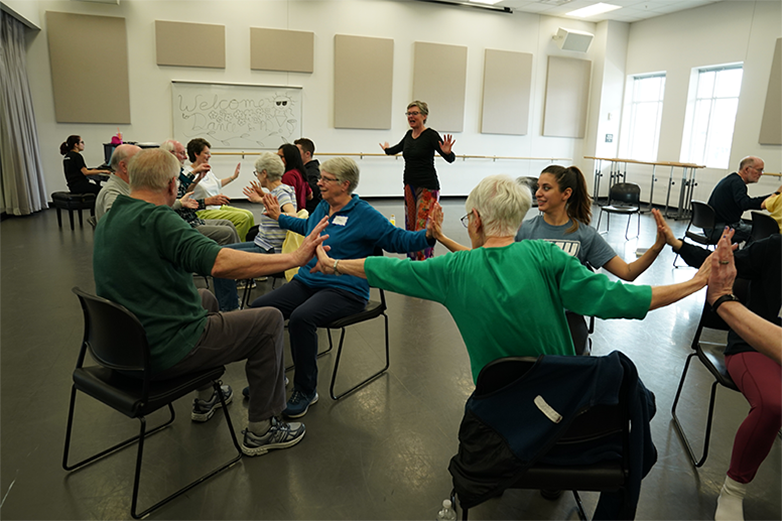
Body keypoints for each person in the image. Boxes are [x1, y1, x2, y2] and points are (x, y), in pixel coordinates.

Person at [310, 174, 710, 382]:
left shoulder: (452, 270)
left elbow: (391, 269)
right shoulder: (548, 256)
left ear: (478, 220)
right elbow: (626, 298)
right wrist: (697, 281)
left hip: (496, 397)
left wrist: (334, 265)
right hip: (561, 393)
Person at [93, 148, 330, 456]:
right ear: (170, 185)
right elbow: (219, 263)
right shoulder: (159, 220)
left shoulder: (112, 215)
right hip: (161, 351)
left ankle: (207, 396)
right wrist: (294, 258)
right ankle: (262, 428)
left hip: (119, 345)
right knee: (269, 319)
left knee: (204, 297)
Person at [247, 157, 436, 418]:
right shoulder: (323, 206)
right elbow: (307, 226)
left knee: (302, 318)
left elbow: (398, 240)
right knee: (260, 309)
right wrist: (281, 218)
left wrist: (428, 235)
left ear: (345, 184)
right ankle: (272, 377)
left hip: (345, 289)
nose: (319, 182)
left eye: (326, 179)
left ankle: (306, 390)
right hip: (309, 281)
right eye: (320, 177)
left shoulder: (364, 214)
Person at [654, 210, 782, 521]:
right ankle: (734, 488)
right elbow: (720, 263)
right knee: (773, 404)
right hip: (752, 346)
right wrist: (677, 243)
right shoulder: (775, 248)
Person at [433, 166, 666, 281]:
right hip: (530, 313)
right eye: (539, 188)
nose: (539, 194)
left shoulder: (584, 235)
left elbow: (627, 273)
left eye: (547, 188)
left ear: (566, 194)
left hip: (569, 317)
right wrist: (442, 238)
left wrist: (656, 247)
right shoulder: (525, 229)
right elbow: (483, 257)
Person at [212, 152, 297, 311]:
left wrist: (276, 214)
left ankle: (229, 310)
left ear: (265, 173)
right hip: (263, 244)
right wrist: (261, 199)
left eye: (257, 173)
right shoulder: (280, 189)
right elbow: (276, 202)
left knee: (221, 260)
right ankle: (230, 307)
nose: (257, 176)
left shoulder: (281, 192)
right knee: (220, 253)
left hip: (270, 250)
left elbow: (293, 214)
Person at [380, 100, 456, 260]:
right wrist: (387, 150)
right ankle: (413, 259)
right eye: (409, 113)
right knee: (411, 227)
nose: (411, 116)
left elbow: (450, 158)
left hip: (428, 188)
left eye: (414, 113)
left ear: (424, 116)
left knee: (423, 227)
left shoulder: (430, 135)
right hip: (409, 186)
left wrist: (447, 152)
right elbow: (397, 148)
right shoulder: (408, 135)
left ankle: (423, 263)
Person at [160, 140, 240, 246]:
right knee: (228, 231)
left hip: (193, 218)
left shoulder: (180, 173)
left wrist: (197, 179)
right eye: (182, 154)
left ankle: (239, 254)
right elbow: (177, 203)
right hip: (186, 223)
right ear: (171, 154)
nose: (185, 157)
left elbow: (186, 193)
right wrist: (207, 201)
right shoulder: (167, 177)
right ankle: (225, 259)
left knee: (228, 224)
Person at [187, 138, 255, 240]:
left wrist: (233, 177)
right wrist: (197, 178)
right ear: (196, 154)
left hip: (217, 207)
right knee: (243, 218)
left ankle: (249, 243)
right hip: (204, 210)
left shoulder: (206, 169)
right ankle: (236, 246)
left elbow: (217, 184)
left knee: (249, 214)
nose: (209, 156)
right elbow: (186, 190)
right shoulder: (189, 172)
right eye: (206, 153)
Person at [706, 156, 771, 243]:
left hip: (711, 226)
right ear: (747, 169)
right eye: (759, 170)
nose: (761, 174)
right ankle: (742, 256)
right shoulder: (737, 183)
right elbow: (745, 204)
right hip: (720, 228)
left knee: (751, 228)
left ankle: (736, 254)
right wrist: (771, 198)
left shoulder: (732, 179)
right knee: (760, 233)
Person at [95, 144, 141, 220]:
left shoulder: (126, 186)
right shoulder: (112, 192)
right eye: (139, 161)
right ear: (124, 166)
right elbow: (117, 222)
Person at [277, 143, 312, 212]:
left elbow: (286, 199)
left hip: (292, 215)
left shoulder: (288, 176)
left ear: (289, 157)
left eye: (280, 157)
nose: (278, 160)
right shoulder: (300, 172)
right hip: (301, 214)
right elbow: (310, 196)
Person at [295, 137, 322, 214]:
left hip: (310, 212)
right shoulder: (301, 169)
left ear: (307, 154)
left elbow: (314, 191)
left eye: (297, 152)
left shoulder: (313, 171)